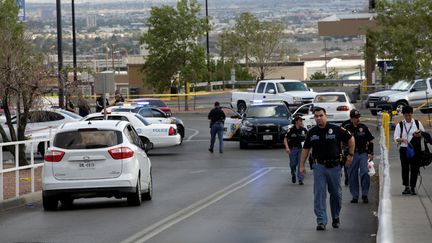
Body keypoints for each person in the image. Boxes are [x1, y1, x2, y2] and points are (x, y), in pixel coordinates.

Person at [299, 107, 354, 231]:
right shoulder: (312, 132)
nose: (319, 118)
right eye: (316, 116)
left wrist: (350, 155)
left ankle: (335, 217)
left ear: (326, 116)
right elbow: (306, 149)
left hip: (334, 167)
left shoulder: (336, 129)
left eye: (321, 115)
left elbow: (351, 139)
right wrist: (301, 165)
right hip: (319, 167)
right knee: (319, 194)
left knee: (335, 194)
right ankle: (321, 221)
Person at [344, 109, 374, 203]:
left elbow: (371, 140)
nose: (358, 119)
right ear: (351, 118)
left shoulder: (363, 127)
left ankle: (364, 194)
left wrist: (371, 152)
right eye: (355, 118)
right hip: (352, 154)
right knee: (352, 175)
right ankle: (355, 196)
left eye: (358, 117)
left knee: (365, 172)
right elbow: (342, 142)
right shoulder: (347, 128)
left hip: (362, 153)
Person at [394, 105, 424, 195]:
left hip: (415, 148)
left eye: (409, 115)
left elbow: (423, 134)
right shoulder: (400, 125)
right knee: (405, 168)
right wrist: (402, 139)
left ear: (412, 114)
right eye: (406, 115)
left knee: (415, 168)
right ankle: (406, 187)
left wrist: (419, 135)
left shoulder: (417, 123)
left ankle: (413, 187)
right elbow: (396, 138)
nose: (408, 117)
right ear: (403, 115)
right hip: (404, 148)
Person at [284, 116, 308, 185]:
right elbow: (285, 139)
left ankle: (300, 179)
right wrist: (287, 148)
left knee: (300, 163)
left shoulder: (303, 130)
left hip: (301, 149)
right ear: (296, 122)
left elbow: (307, 138)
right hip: (292, 149)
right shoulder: (291, 130)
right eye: (300, 121)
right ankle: (293, 173)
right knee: (293, 164)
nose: (301, 122)